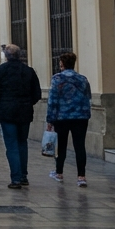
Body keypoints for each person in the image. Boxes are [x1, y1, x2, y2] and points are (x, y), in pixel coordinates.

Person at [0, 43, 42, 189]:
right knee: (22, 143)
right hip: (24, 111)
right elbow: (37, 93)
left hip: (6, 111)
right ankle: (23, 176)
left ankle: (16, 178)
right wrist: (28, 102)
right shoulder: (29, 71)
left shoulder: (0, 71)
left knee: (11, 145)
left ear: (6, 56)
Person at [46, 52, 91, 187]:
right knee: (80, 146)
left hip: (62, 117)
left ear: (62, 64)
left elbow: (52, 100)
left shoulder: (57, 79)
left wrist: (50, 119)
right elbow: (88, 96)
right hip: (81, 117)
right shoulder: (83, 79)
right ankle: (81, 177)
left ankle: (59, 173)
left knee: (61, 146)